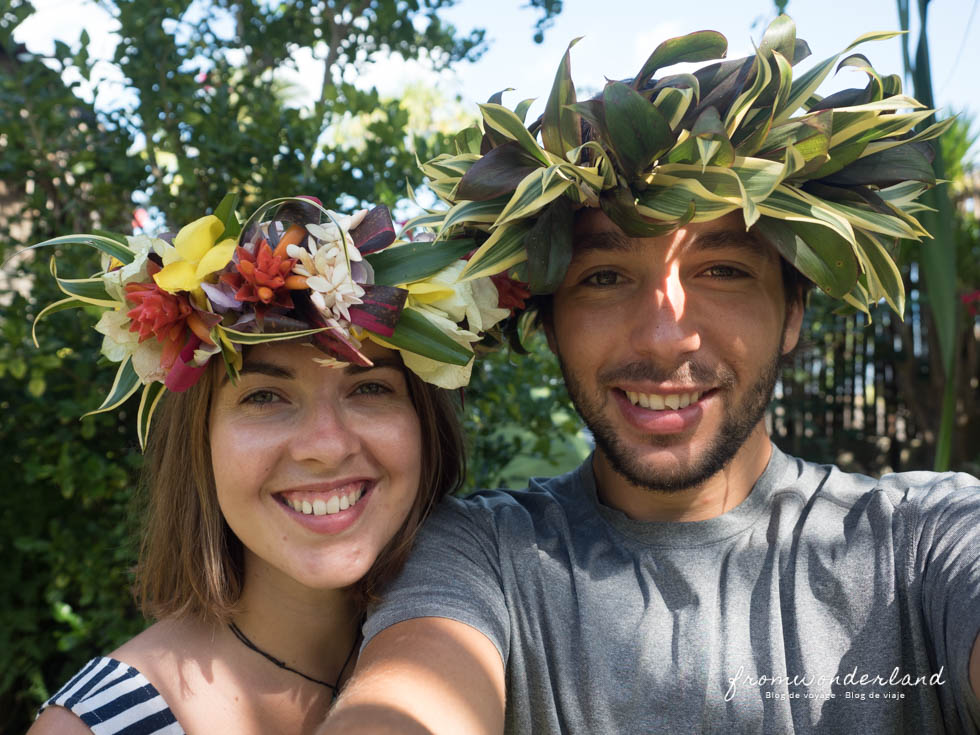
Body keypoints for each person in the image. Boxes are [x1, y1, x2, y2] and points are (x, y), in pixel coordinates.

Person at [317, 17, 980, 735]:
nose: (666, 337)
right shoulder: (482, 556)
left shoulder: (926, 538)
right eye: (604, 276)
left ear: (793, 311)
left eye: (722, 271)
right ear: (546, 319)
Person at [27, 194, 512, 734]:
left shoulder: (509, 644)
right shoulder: (95, 728)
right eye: (263, 397)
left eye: (371, 387)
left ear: (426, 427)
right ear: (198, 441)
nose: (326, 446)